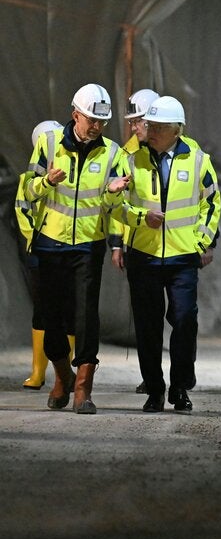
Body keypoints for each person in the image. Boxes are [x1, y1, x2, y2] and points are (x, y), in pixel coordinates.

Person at [104, 96, 221, 413]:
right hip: (144, 256)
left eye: (157, 126)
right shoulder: (130, 160)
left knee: (184, 320)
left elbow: (212, 204)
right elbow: (114, 208)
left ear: (176, 130)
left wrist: (200, 242)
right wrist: (133, 213)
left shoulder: (197, 159)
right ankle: (154, 390)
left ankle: (180, 386)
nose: (149, 130)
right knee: (147, 326)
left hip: (183, 258)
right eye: (148, 125)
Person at [24, 83, 124, 414]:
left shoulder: (113, 153)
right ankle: (62, 373)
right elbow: (28, 191)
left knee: (85, 316)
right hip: (49, 243)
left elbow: (114, 205)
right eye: (91, 119)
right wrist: (47, 182)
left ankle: (83, 387)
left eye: (102, 122)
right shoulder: (48, 144)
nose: (97, 126)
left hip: (87, 244)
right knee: (50, 316)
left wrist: (113, 191)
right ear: (75, 115)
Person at [16, 120, 73, 389]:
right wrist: (35, 243)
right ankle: (38, 372)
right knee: (43, 311)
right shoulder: (29, 180)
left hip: (69, 250)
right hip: (41, 252)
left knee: (69, 310)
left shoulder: (73, 176)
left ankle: (65, 374)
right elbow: (23, 212)